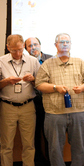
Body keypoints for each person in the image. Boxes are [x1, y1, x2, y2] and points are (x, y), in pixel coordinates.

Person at [35, 33, 84, 166]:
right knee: (55, 148)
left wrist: (83, 87)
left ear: (71, 45)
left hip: (78, 112)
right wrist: (55, 87)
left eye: (67, 42)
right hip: (54, 113)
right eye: (62, 42)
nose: (65, 44)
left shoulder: (79, 62)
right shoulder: (47, 64)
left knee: (79, 147)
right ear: (55, 45)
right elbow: (39, 84)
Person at [0, 34, 40, 166]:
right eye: (13, 50)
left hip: (27, 106)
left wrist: (33, 80)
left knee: (29, 144)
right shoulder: (1, 61)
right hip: (7, 106)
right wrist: (5, 81)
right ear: (8, 47)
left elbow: (40, 84)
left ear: (23, 46)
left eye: (20, 50)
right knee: (6, 145)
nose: (17, 53)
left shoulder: (33, 61)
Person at [25, 37, 52, 165]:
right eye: (29, 46)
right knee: (34, 134)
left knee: (49, 134)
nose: (33, 48)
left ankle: (50, 160)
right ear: (26, 49)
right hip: (32, 102)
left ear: (40, 45)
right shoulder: (25, 62)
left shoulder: (51, 60)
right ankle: (38, 160)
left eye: (35, 44)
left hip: (50, 101)